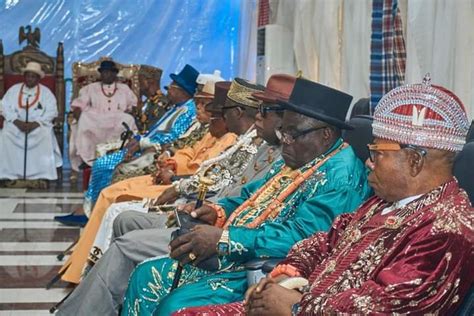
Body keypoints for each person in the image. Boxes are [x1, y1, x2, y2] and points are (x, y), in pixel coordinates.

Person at [178, 76, 474, 315]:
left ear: (415, 161)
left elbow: (381, 308)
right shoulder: (384, 201)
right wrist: (288, 276)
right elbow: (325, 240)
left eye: (378, 153)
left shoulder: (445, 231)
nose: (369, 161)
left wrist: (294, 306)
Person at [121, 77, 372, 315]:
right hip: (236, 255)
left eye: (292, 135)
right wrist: (217, 211)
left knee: (175, 305)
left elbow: (304, 238)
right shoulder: (298, 158)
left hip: (263, 272)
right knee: (144, 276)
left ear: (326, 134)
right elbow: (250, 197)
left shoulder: (341, 176)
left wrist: (225, 239)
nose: (284, 141)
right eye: (283, 131)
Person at [56, 78, 266, 316]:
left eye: (267, 115)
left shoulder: (261, 147)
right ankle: (98, 300)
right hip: (200, 211)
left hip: (213, 230)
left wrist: (182, 189)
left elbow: (231, 192)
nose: (217, 117)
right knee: (123, 219)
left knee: (125, 242)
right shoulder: (251, 142)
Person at [82, 64, 199, 215]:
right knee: (100, 163)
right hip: (142, 148)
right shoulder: (177, 106)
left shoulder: (188, 110)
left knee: (103, 165)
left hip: (152, 154)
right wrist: (138, 139)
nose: (168, 89)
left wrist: (141, 143)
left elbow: (172, 138)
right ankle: (95, 210)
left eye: (171, 86)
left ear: (180, 90)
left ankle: (97, 211)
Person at [68, 60, 138, 172]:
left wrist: (132, 112)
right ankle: (88, 160)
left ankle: (123, 157)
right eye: (105, 72)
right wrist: (79, 116)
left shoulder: (124, 89)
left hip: (117, 121)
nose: (107, 75)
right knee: (84, 118)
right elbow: (78, 105)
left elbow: (133, 106)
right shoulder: (90, 88)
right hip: (97, 120)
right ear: (101, 74)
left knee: (128, 119)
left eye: (110, 72)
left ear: (115, 74)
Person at [0, 61, 62, 181]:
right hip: (17, 124)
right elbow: (4, 107)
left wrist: (35, 124)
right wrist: (17, 122)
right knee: (6, 133)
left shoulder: (46, 93)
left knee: (45, 134)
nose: (30, 79)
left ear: (38, 78)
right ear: (24, 77)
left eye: (33, 76)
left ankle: (42, 174)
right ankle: (9, 174)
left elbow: (52, 111)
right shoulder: (14, 90)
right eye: (28, 76)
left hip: (37, 126)